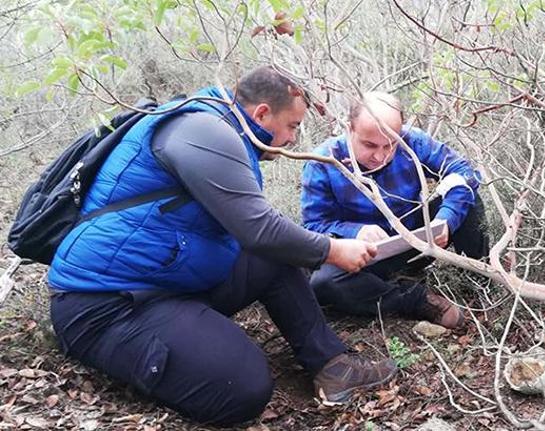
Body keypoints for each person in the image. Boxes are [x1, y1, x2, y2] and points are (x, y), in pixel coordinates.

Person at [46, 67, 397, 426]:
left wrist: (318, 248)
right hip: (106, 305)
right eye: (292, 125)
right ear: (261, 113)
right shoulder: (201, 131)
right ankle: (126, 350)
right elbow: (257, 228)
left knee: (273, 257)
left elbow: (260, 235)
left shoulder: (218, 126)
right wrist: (333, 250)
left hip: (168, 283)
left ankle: (331, 366)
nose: (293, 138)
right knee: (243, 390)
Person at [300, 92, 488, 329]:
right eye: (369, 145)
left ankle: (480, 280)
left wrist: (446, 219)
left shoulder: (412, 141)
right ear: (349, 129)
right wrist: (355, 231)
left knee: (467, 198)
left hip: (416, 240)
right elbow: (314, 227)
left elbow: (463, 172)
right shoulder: (322, 163)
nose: (380, 156)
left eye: (390, 145)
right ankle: (416, 300)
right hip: (363, 257)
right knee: (325, 283)